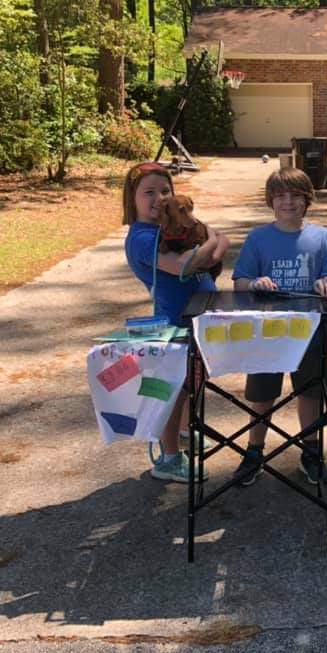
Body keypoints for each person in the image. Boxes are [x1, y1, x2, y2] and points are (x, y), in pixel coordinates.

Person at [232, 167, 327, 486]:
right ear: (270, 201)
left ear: (307, 200)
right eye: (280, 196)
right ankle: (254, 451)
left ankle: (311, 450)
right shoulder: (258, 238)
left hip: (310, 328)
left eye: (295, 196)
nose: (288, 202)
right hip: (268, 330)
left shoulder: (321, 236)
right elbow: (239, 281)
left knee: (309, 393)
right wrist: (255, 283)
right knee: (262, 394)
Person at [123, 161, 230, 482]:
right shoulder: (143, 238)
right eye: (148, 192)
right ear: (133, 199)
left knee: (191, 385)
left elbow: (222, 244)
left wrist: (213, 244)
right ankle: (169, 459)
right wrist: (211, 242)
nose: (159, 198)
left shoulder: (170, 227)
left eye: (165, 190)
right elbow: (189, 264)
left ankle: (184, 433)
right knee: (173, 392)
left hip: (199, 319)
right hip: (175, 324)